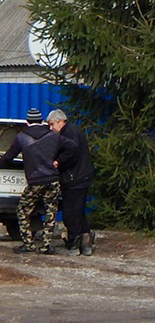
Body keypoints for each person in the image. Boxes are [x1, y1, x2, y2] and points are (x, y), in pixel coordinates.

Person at [0, 108, 76, 254]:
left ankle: (28, 244)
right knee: (50, 211)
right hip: (52, 180)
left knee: (22, 211)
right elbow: (72, 146)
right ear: (42, 122)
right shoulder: (52, 135)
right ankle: (46, 246)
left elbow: (8, 157)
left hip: (35, 181)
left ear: (27, 122)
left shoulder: (22, 137)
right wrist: (58, 161)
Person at [47, 109, 95, 256]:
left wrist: (57, 162)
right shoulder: (73, 130)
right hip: (81, 176)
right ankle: (86, 242)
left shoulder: (69, 134)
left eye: (52, 124)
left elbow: (71, 153)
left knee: (70, 212)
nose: (51, 128)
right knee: (78, 210)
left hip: (75, 178)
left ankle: (73, 244)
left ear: (61, 121)